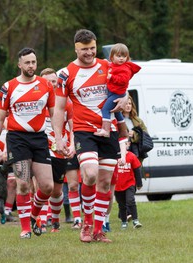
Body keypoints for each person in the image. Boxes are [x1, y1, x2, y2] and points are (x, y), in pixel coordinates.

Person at [53, 29, 127, 243]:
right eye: (85, 49)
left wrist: (124, 101)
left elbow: (122, 91)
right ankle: (85, 223)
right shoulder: (65, 74)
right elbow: (59, 109)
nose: (89, 53)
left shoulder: (107, 66)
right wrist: (59, 137)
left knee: (105, 183)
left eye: (92, 48)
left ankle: (97, 229)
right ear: (76, 48)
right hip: (84, 131)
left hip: (108, 129)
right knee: (91, 174)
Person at [0, 47, 55, 239]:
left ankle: (34, 215)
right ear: (19, 65)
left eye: (33, 62)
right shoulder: (8, 87)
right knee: (23, 184)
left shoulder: (46, 85)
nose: (31, 66)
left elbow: (54, 113)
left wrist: (59, 137)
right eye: (27, 62)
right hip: (17, 139)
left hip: (40, 138)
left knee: (47, 186)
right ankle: (25, 228)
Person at [39, 67, 75, 233]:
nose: (51, 84)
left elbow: (73, 127)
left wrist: (72, 145)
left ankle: (55, 222)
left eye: (54, 81)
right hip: (40, 148)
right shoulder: (37, 102)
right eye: (48, 81)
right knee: (39, 186)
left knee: (56, 190)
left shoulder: (66, 103)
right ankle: (41, 220)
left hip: (60, 150)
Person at [95, 43, 141, 139]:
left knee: (105, 109)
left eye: (124, 56)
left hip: (117, 94)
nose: (121, 59)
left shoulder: (125, 68)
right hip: (113, 91)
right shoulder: (113, 65)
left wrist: (112, 77)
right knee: (117, 112)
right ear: (112, 57)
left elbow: (123, 80)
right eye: (119, 56)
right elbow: (109, 65)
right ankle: (124, 130)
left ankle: (105, 130)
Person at [114, 141, 143, 229]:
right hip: (117, 186)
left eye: (124, 144)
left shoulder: (131, 156)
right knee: (121, 204)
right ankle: (124, 222)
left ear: (128, 144)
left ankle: (135, 220)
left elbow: (137, 170)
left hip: (129, 183)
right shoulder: (114, 157)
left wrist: (139, 183)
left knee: (130, 200)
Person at [122, 95, 149, 162]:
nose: (128, 105)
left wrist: (134, 134)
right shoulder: (118, 120)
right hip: (123, 152)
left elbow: (145, 134)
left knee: (137, 172)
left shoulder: (138, 120)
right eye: (126, 103)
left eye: (130, 103)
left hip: (137, 153)